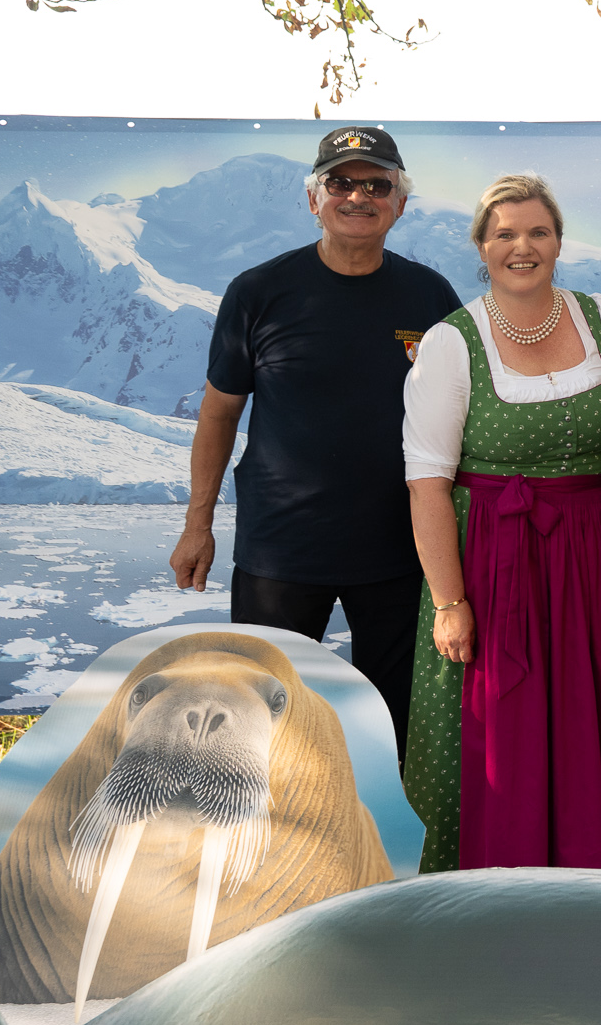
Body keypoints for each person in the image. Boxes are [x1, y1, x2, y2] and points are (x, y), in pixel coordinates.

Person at [398, 174, 601, 877]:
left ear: (559, 241)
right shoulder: (452, 343)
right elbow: (427, 486)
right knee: (499, 735)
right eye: (505, 234)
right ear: (482, 247)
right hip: (494, 561)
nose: (523, 247)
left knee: (597, 722)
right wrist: (450, 603)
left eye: (538, 232)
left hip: (593, 557)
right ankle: (488, 897)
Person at [172, 125, 460, 750]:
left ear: (400, 203)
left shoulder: (430, 295)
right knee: (260, 723)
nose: (358, 197)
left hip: (399, 551)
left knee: (392, 728)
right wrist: (198, 525)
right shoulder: (258, 292)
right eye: (340, 183)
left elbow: (460, 418)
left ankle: (379, 818)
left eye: (376, 185)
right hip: (281, 551)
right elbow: (218, 415)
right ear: (313, 199)